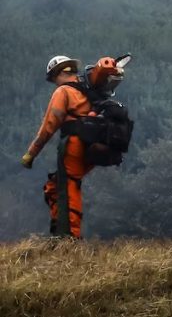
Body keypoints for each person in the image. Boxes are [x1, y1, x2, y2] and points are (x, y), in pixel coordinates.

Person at [21, 55, 122, 238]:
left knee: (68, 187)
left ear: (57, 75)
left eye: (53, 79)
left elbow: (49, 125)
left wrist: (31, 154)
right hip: (94, 146)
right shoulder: (90, 90)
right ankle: (59, 231)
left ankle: (69, 237)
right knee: (54, 186)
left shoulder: (64, 91)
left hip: (74, 144)